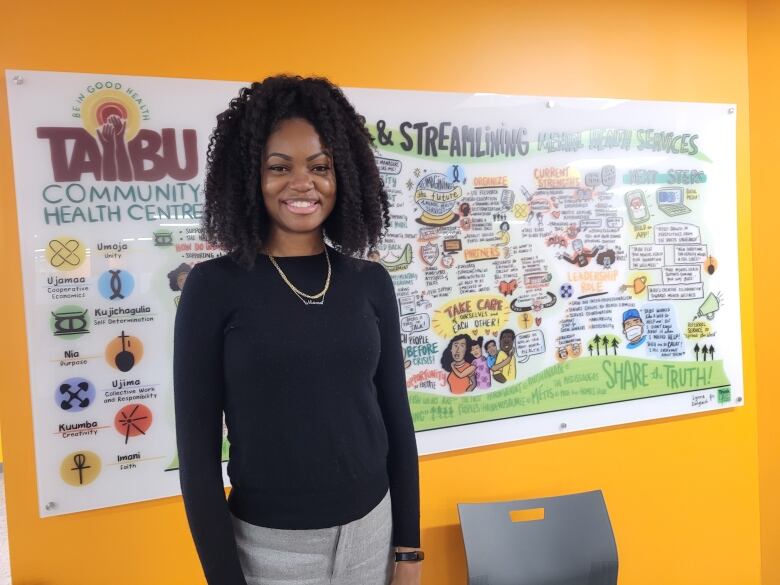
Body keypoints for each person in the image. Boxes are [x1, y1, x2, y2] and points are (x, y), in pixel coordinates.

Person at [173, 75, 422, 585]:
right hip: (269, 550)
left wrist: (409, 552)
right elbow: (197, 464)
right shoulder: (213, 287)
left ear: (343, 175)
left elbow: (398, 421)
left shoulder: (370, 282)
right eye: (279, 167)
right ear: (249, 178)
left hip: (374, 531)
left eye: (320, 167)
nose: (302, 183)